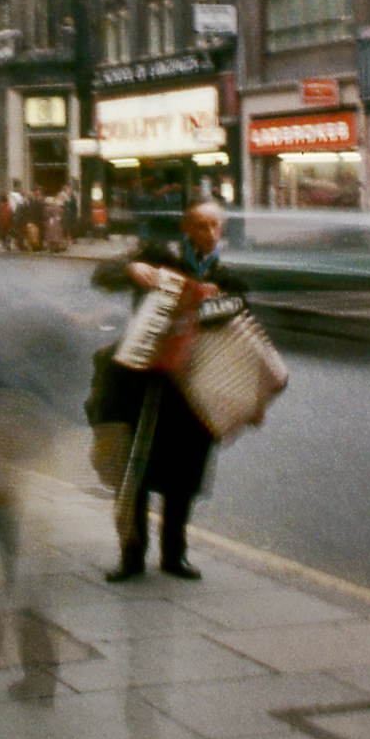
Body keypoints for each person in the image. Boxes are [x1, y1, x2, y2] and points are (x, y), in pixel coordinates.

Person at [90, 198, 246, 582]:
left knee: (183, 475)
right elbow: (101, 274)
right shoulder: (159, 257)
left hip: (192, 391)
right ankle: (131, 555)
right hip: (142, 383)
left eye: (215, 226)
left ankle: (174, 554)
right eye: (200, 225)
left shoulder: (228, 276)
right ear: (185, 228)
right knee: (134, 471)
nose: (209, 234)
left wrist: (216, 304)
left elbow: (239, 314)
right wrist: (132, 267)